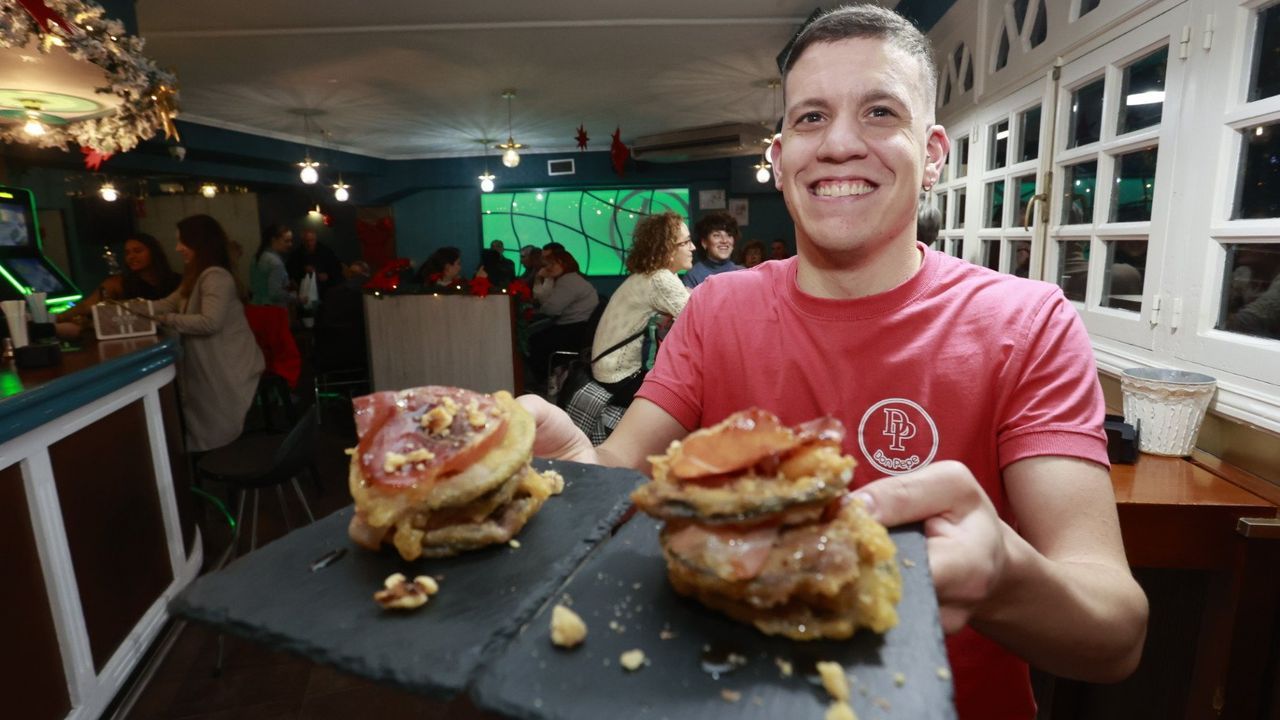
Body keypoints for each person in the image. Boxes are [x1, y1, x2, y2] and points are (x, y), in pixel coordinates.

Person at [515, 6, 1147, 719]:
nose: (840, 143)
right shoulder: (717, 309)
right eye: (811, 118)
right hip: (728, 697)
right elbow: (620, 482)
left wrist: (1003, 577)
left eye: (879, 112)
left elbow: (1115, 634)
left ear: (934, 151)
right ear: (780, 157)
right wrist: (577, 467)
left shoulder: (1027, 323)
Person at [154, 214, 265, 452]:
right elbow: (165, 304)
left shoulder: (215, 276)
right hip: (220, 361)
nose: (177, 248)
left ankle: (221, 461)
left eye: (183, 241)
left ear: (199, 243)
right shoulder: (197, 277)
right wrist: (118, 311)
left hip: (229, 364)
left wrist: (166, 320)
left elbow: (210, 323)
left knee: (215, 420)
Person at [590, 211, 693, 404]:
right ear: (668, 250)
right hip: (620, 375)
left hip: (604, 367)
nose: (692, 247)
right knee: (687, 398)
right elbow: (699, 322)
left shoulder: (648, 274)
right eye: (686, 242)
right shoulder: (660, 278)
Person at [57, 232, 182, 327]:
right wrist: (56, 318)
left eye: (137, 251)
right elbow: (86, 306)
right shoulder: (118, 283)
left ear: (154, 252)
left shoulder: (177, 280)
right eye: (127, 253)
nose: (131, 256)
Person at [528, 247, 599, 380]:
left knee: (533, 340)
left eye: (552, 264)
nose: (548, 267)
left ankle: (542, 380)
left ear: (564, 264)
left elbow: (551, 309)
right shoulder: (568, 278)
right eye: (547, 264)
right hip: (577, 326)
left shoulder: (568, 281)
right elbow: (547, 302)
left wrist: (543, 281)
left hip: (575, 330)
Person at [682, 211, 742, 288]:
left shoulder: (743, 272)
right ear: (704, 242)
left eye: (729, 235)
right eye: (717, 235)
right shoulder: (693, 276)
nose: (724, 240)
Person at [287, 228, 344, 293]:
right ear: (302, 241)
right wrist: (303, 269)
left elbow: (337, 268)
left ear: (315, 239)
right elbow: (289, 271)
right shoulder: (296, 254)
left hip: (325, 287)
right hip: (304, 288)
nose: (309, 244)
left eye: (311, 240)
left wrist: (328, 276)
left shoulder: (326, 251)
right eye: (306, 241)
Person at [250, 224, 293, 307]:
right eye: (286, 241)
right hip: (273, 311)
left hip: (256, 307)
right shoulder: (275, 262)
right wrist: (294, 297)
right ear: (273, 240)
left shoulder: (255, 257)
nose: (290, 244)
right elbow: (275, 293)